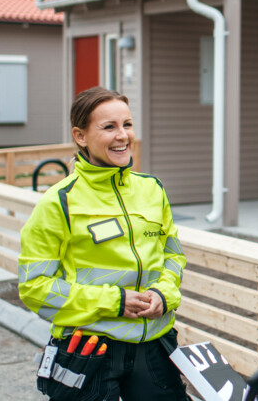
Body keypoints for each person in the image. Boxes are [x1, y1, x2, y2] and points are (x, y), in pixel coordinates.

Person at [19, 87, 188, 401]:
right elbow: (34, 288)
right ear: (80, 136)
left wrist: (164, 294)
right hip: (87, 350)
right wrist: (115, 301)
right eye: (109, 127)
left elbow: (173, 257)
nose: (122, 135)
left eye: (127, 124)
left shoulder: (152, 189)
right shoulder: (59, 202)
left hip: (154, 346)